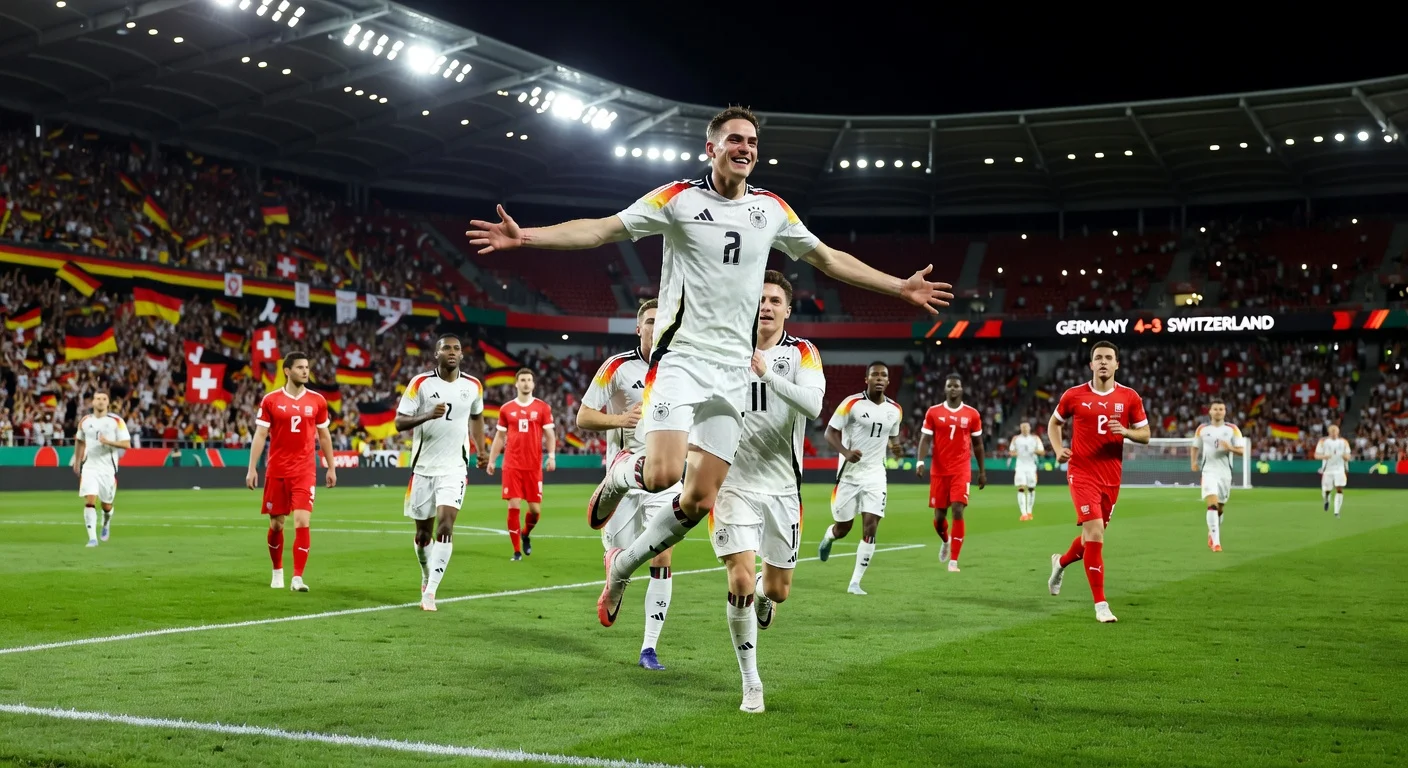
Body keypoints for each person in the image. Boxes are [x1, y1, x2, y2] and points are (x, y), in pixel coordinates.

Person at [467, 105, 952, 631]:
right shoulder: (678, 199)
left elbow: (829, 258)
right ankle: (617, 479)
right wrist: (527, 237)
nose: (745, 148)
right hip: (681, 360)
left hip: (732, 372)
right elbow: (603, 230)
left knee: (698, 499)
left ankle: (623, 566)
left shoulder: (771, 210)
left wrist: (899, 286)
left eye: (752, 142)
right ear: (711, 148)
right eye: (735, 140)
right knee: (662, 474)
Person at [710, 271, 825, 712]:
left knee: (777, 590)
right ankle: (751, 682)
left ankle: (763, 593)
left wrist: (766, 374)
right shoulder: (725, 346)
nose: (767, 305)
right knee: (737, 577)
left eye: (775, 299)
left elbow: (814, 405)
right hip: (733, 481)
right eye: (760, 298)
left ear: (787, 309)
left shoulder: (802, 353)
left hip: (781, 486)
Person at [577, 299, 683, 671]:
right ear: (639, 328)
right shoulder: (617, 368)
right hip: (622, 479)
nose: (656, 327)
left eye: (662, 321)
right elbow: (583, 416)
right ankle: (616, 575)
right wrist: (620, 418)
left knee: (663, 554)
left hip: (667, 477)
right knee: (620, 557)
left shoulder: (680, 369)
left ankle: (649, 649)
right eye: (650, 321)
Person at [1045, 340, 1150, 623]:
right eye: (1098, 358)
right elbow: (1054, 423)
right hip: (1081, 472)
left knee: (1090, 537)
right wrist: (1057, 450)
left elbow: (1146, 435)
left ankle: (1061, 562)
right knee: (1095, 534)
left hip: (1111, 477)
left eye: (1109, 358)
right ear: (1091, 364)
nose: (1103, 362)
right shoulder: (1074, 395)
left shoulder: (1129, 397)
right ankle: (1101, 605)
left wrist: (1126, 431)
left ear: (1117, 364)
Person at [394, 334, 488, 611]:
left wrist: (480, 449)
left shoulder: (473, 385)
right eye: (446, 348)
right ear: (436, 354)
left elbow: (477, 416)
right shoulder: (420, 384)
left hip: (455, 469)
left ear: (461, 355)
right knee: (423, 535)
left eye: (457, 348)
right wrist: (426, 415)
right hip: (423, 469)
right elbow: (399, 422)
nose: (452, 352)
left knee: (445, 526)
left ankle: (430, 593)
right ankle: (426, 575)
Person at [246, 353, 337, 592]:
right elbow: (261, 435)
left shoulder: (318, 401)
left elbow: (324, 436)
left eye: (307, 367)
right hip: (277, 470)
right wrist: (252, 467)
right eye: (300, 368)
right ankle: (277, 571)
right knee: (277, 524)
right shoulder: (271, 400)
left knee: (302, 520)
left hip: (305, 470)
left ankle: (297, 577)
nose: (305, 371)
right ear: (287, 371)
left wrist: (331, 466)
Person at [818, 362, 902, 595]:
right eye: (874, 374)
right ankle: (829, 536)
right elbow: (830, 432)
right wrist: (846, 453)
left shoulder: (895, 410)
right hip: (849, 475)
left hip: (875, 475)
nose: (879, 378)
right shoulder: (851, 403)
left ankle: (855, 582)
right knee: (844, 527)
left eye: (883, 375)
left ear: (888, 380)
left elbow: (893, 438)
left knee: (871, 527)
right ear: (866, 379)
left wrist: (897, 448)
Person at [915, 374, 986, 572]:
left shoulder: (972, 414)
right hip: (939, 470)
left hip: (961, 469)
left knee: (957, 509)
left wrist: (982, 472)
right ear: (945, 389)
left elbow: (978, 445)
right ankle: (945, 540)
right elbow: (925, 439)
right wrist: (920, 461)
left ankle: (954, 561)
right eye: (950, 386)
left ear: (961, 390)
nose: (953, 389)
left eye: (957, 386)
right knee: (939, 517)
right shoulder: (933, 412)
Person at [486, 368, 555, 561]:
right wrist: (492, 460)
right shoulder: (506, 409)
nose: (525, 383)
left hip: (533, 466)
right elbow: (499, 437)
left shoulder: (543, 408)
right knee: (513, 505)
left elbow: (550, 435)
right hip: (512, 465)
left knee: (535, 511)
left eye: (529, 380)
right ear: (516, 384)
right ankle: (516, 551)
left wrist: (551, 456)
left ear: (533, 384)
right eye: (522, 380)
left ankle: (525, 533)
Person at [73, 391, 130, 547]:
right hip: (90, 466)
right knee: (90, 500)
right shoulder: (85, 421)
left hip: (107, 468)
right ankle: (92, 539)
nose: (100, 401)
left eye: (104, 399)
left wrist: (108, 442)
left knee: (106, 505)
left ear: (108, 403)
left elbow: (126, 444)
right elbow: (79, 440)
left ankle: (106, 523)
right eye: (97, 398)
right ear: (93, 402)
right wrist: (77, 460)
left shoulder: (116, 421)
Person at [1189, 400, 1243, 551]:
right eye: (1215, 409)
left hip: (1225, 473)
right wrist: (1193, 462)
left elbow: (1242, 451)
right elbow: (1195, 447)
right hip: (1208, 471)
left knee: (1220, 508)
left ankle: (1212, 532)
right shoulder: (1202, 429)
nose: (1218, 411)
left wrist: (1230, 447)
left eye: (1221, 409)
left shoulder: (1233, 429)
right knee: (1212, 503)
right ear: (1210, 411)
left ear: (1225, 412)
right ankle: (1216, 542)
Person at [1007, 422, 1045, 521]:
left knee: (1031, 488)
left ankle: (1029, 511)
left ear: (1029, 428)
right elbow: (1011, 452)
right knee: (1021, 487)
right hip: (1020, 466)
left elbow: (1042, 451)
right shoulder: (1016, 439)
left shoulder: (1035, 438)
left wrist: (1034, 450)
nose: (1024, 429)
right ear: (1020, 428)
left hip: (1031, 466)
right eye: (1023, 427)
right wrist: (1016, 453)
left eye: (1026, 427)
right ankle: (1023, 513)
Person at [1314, 423, 1350, 518]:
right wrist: (1324, 456)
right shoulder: (1322, 441)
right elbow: (1316, 455)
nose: (1334, 433)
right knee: (1327, 489)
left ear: (1338, 432)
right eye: (1332, 432)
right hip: (1328, 469)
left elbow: (1348, 457)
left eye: (1335, 432)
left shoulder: (1343, 442)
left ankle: (1336, 512)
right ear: (1329, 432)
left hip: (1339, 469)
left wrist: (1343, 455)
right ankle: (1326, 499)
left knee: (1339, 488)